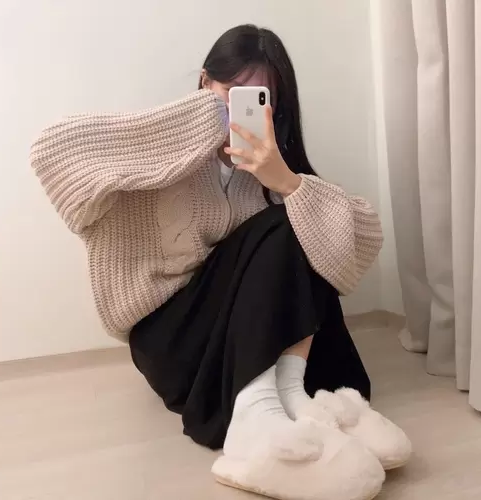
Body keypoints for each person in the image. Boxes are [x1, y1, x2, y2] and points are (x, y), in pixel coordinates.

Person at [32, 24, 411, 500]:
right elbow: (52, 153)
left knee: (306, 221)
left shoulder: (271, 168)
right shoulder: (159, 152)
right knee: (283, 226)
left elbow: (360, 241)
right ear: (204, 83)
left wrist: (287, 181)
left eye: (261, 98)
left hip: (239, 333)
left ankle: (303, 405)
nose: (243, 108)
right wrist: (196, 123)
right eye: (232, 92)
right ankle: (256, 424)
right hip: (170, 337)